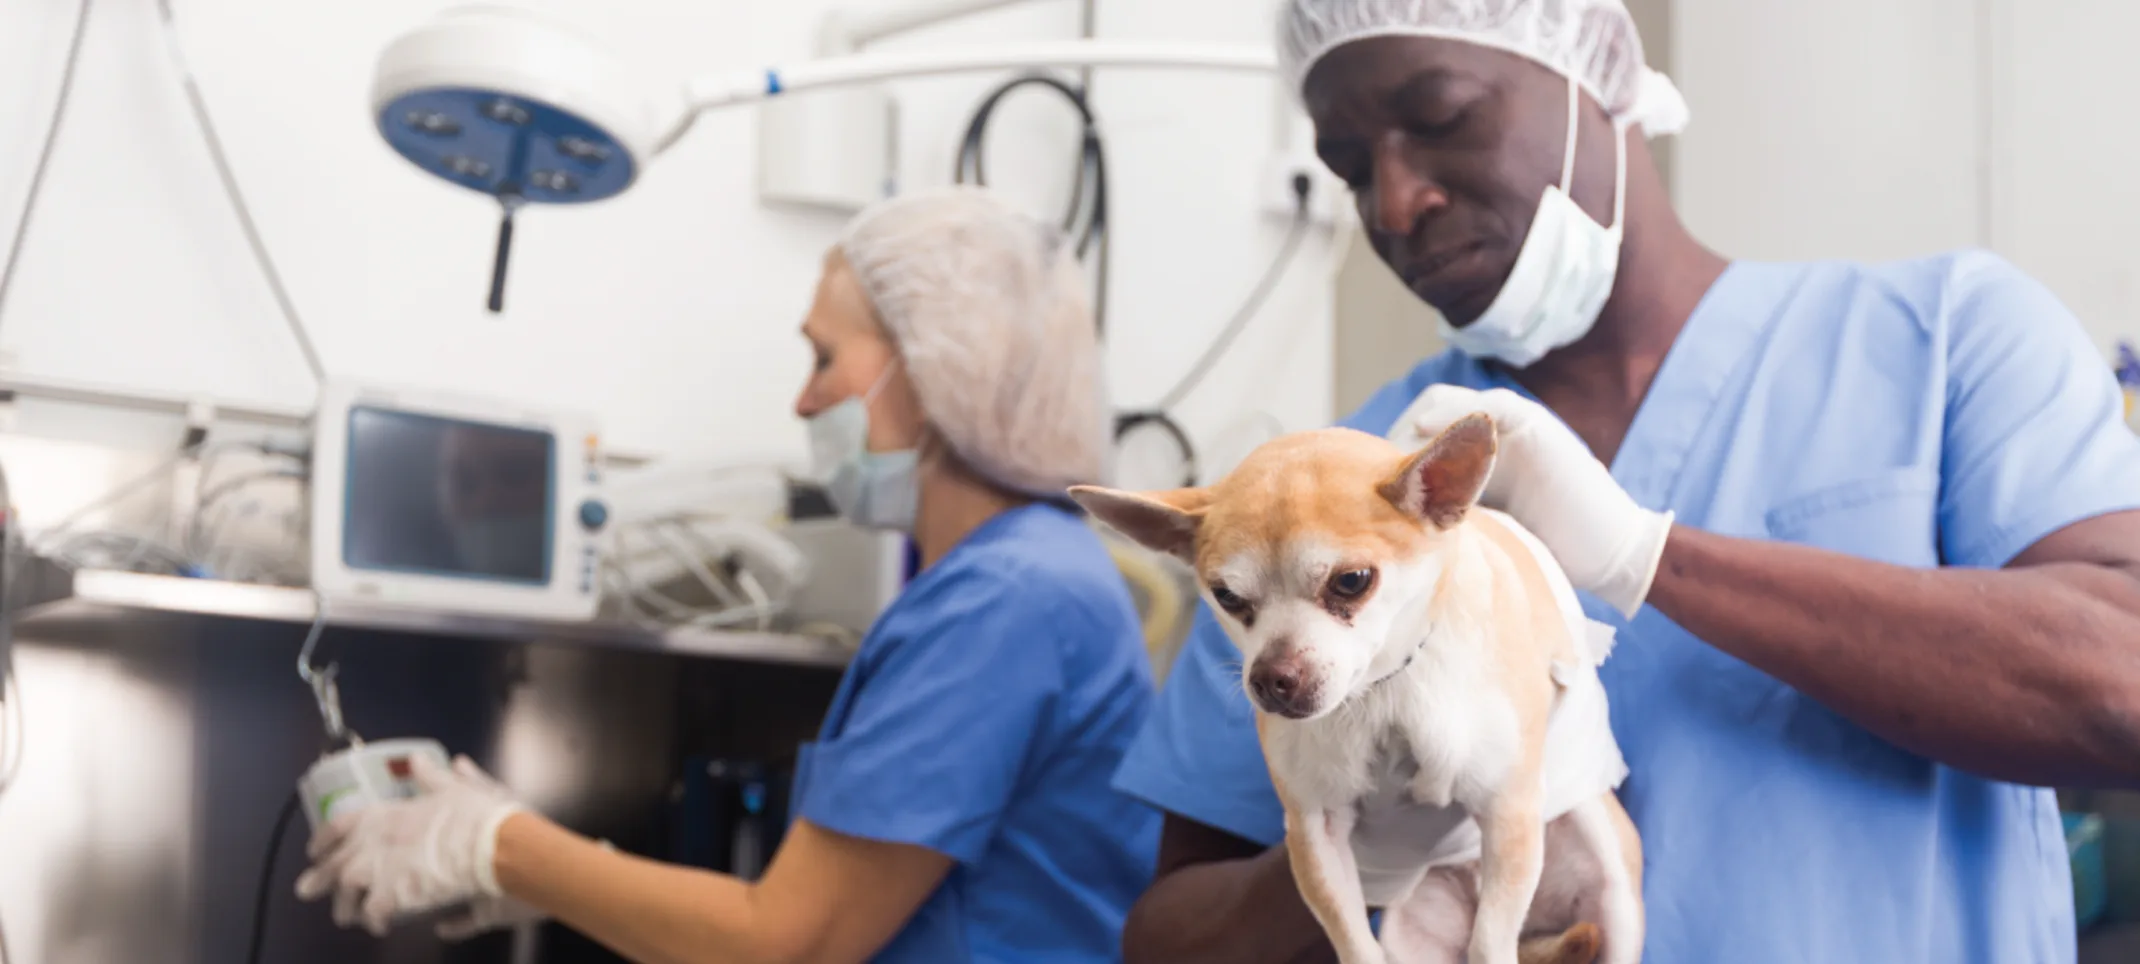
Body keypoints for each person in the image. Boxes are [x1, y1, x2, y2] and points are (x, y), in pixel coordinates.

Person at [1113, 2, 2140, 963]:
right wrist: (1361, 839)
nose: (1394, 201)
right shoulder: (1333, 492)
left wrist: (1643, 556)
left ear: (1590, 74)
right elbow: (1167, 934)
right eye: (1346, 167)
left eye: (1439, 118)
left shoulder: (1944, 340)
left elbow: (2121, 687)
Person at [296, 186, 1161, 963]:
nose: (802, 401)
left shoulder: (1006, 601)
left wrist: (498, 845)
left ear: (938, 372)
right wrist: (545, 875)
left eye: (825, 358)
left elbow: (783, 939)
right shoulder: (1019, 579)